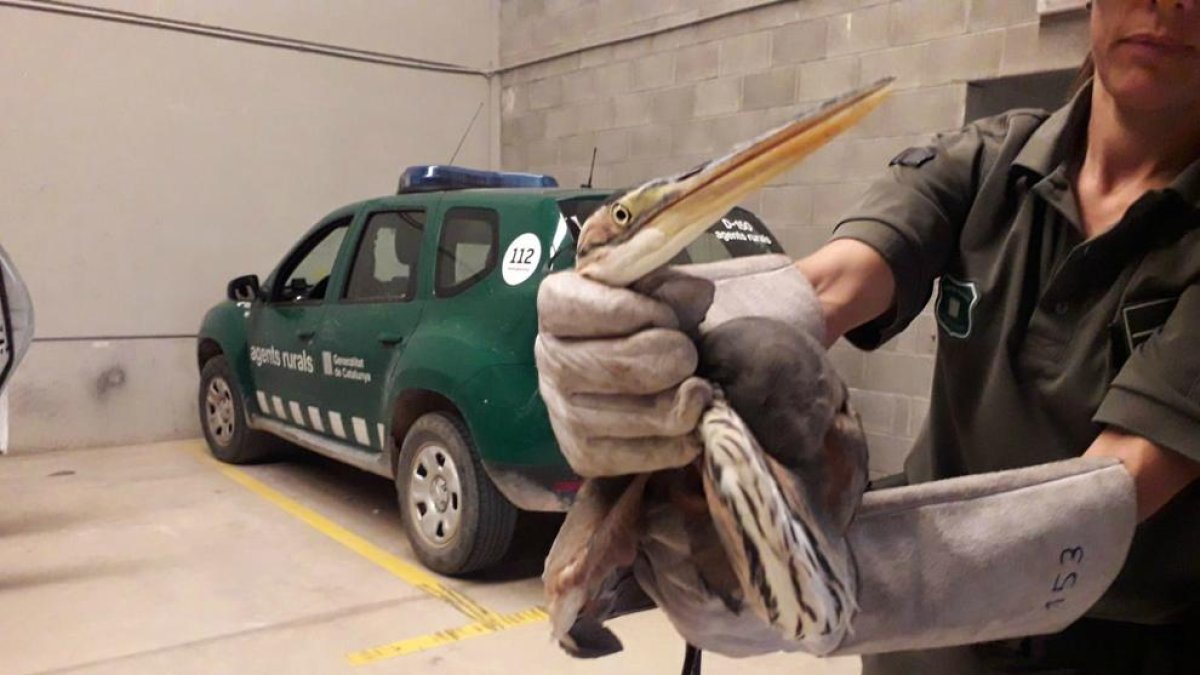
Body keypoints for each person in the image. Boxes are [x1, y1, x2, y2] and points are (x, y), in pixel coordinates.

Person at [534, 1, 1199, 672]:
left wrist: (839, 584)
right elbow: (829, 287)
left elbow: (1118, 484)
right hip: (917, 659)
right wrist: (637, 352)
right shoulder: (984, 160)